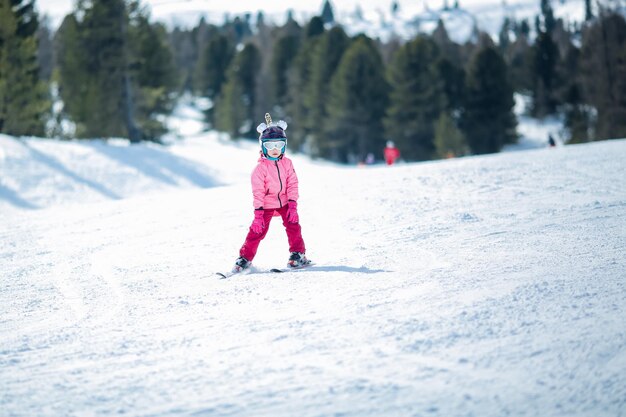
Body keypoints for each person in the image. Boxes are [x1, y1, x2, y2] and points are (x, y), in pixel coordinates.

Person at [232, 113, 310, 274]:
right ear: (262, 146)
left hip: (285, 202)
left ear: (284, 146)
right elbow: (258, 193)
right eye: (269, 146)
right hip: (266, 205)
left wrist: (293, 205)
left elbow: (293, 184)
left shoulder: (287, 163)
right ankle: (244, 258)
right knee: (257, 231)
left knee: (293, 226)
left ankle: (297, 254)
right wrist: (258, 214)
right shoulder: (259, 169)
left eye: (279, 145)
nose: (275, 150)